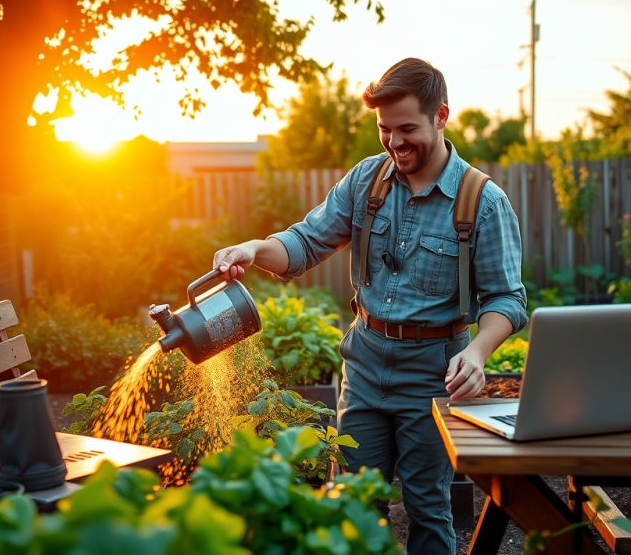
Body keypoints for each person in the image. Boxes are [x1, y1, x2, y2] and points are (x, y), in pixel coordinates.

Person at [213, 58, 528, 554]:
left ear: (440, 116)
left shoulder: (482, 201)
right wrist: (254, 250)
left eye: (407, 129)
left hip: (434, 371)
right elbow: (305, 243)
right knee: (352, 504)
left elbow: (507, 297)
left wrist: (478, 353)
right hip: (364, 364)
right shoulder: (366, 182)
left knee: (428, 507)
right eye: (385, 130)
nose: (395, 143)